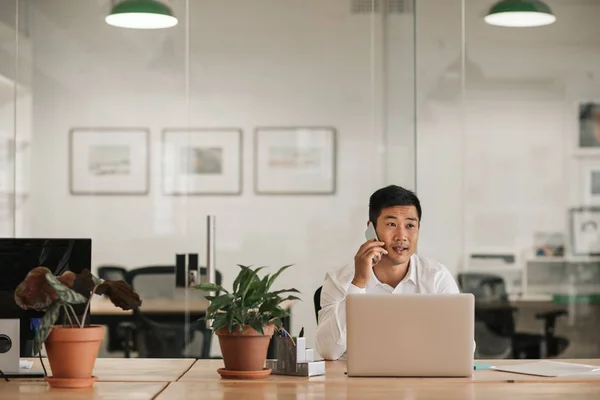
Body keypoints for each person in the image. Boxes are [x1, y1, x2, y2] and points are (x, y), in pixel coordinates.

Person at [315, 185, 462, 361]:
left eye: (410, 225)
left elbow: (463, 347)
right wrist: (359, 282)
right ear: (371, 229)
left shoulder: (436, 277)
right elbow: (328, 351)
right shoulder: (339, 279)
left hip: (421, 380)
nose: (401, 236)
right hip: (356, 384)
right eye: (391, 224)